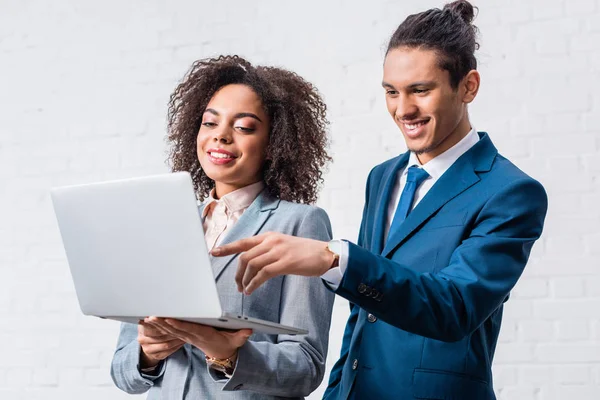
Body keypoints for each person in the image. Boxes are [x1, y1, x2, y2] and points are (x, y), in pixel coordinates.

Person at [212, 2, 548, 399]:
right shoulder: (384, 177)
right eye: (392, 92)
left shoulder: (509, 192)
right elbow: (363, 316)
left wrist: (335, 259)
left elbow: (456, 308)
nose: (403, 109)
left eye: (420, 91)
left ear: (468, 86)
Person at [110, 55, 335, 399]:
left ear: (275, 143)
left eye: (244, 127)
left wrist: (228, 354)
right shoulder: (165, 224)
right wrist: (147, 355)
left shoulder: (300, 224)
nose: (221, 137)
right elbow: (123, 372)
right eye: (209, 123)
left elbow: (305, 366)